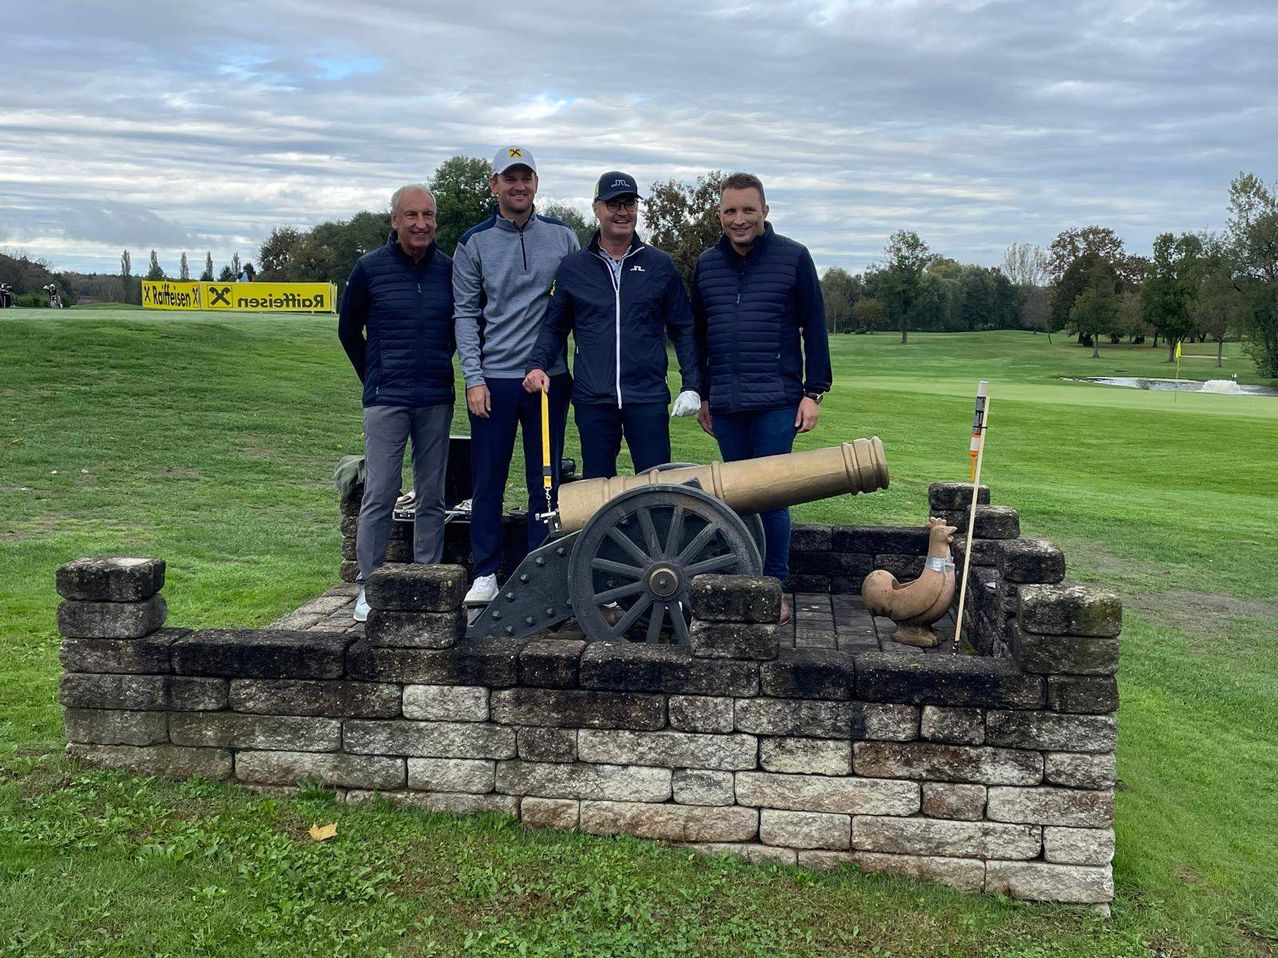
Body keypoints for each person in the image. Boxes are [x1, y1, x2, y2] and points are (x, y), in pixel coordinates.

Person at [692, 172, 832, 625]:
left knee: (770, 496)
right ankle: (741, 580)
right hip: (727, 404)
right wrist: (703, 395)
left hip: (777, 399)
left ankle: (773, 587)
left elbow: (814, 327)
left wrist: (814, 393)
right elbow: (696, 334)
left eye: (748, 210)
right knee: (734, 497)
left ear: (765, 211)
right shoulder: (706, 265)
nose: (739, 219)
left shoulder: (793, 258)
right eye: (730, 211)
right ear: (719, 214)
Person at [454, 146, 580, 604]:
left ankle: (538, 571)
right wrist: (473, 377)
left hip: (549, 378)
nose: (519, 186)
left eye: (526, 177)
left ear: (536, 184)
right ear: (494, 185)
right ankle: (486, 572)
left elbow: (572, 306)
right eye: (510, 178)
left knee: (545, 479)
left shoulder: (563, 237)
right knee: (488, 479)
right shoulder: (474, 242)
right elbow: (466, 315)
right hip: (495, 380)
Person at [523, 171, 702, 479]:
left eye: (629, 203)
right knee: (597, 488)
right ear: (597, 208)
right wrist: (538, 364)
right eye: (613, 204)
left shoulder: (659, 265)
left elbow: (683, 328)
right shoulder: (574, 267)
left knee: (656, 485)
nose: (622, 212)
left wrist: (692, 385)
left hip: (646, 397)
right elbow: (554, 326)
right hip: (594, 399)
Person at [338, 184, 455, 621]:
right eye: (411, 215)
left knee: (432, 496)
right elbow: (349, 331)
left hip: (436, 397)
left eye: (427, 215)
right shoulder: (369, 269)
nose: (420, 223)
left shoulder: (449, 269)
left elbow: (456, 333)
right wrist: (375, 375)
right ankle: (369, 584)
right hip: (386, 399)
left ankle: (425, 579)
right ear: (394, 220)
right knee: (381, 492)